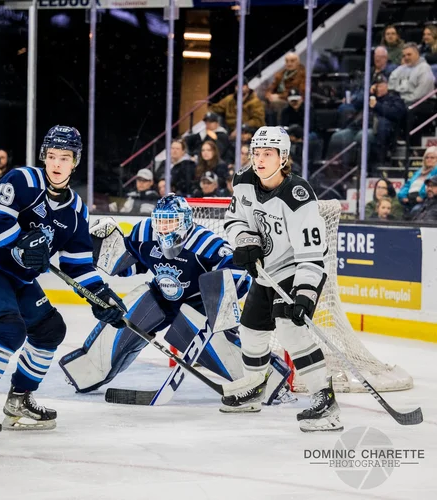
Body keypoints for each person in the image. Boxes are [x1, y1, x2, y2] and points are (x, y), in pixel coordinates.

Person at [0, 125, 125, 445]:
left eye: (65, 158)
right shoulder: (23, 180)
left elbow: (78, 264)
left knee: (49, 330)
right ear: (44, 156)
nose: (57, 164)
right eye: (52, 156)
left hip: (18, 279)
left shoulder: (75, 211)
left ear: (75, 162)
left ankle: (19, 401)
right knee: (8, 331)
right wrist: (20, 243)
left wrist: (101, 296)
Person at [61, 195, 293, 409]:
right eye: (160, 222)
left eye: (170, 222)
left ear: (185, 222)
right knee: (124, 318)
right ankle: (87, 371)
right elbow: (133, 263)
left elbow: (236, 269)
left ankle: (271, 382)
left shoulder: (204, 243)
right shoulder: (145, 234)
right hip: (160, 296)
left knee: (216, 345)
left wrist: (219, 299)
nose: (164, 228)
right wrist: (100, 251)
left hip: (196, 305)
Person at [223, 126, 342, 432]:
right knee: (251, 329)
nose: (259, 160)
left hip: (298, 269)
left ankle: (325, 400)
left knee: (291, 331)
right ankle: (254, 388)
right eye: (256, 153)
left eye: (268, 154)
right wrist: (245, 239)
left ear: (283, 157)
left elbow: (312, 254)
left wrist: (304, 294)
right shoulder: (244, 181)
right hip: (267, 273)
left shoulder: (298, 195)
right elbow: (233, 220)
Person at [398, 146, 437, 216]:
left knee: (415, 211)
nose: (429, 159)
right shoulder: (418, 172)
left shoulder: (436, 171)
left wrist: (421, 196)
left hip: (425, 201)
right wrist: (403, 196)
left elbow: (430, 187)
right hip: (409, 200)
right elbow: (408, 184)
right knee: (396, 209)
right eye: (427, 157)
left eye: (432, 158)